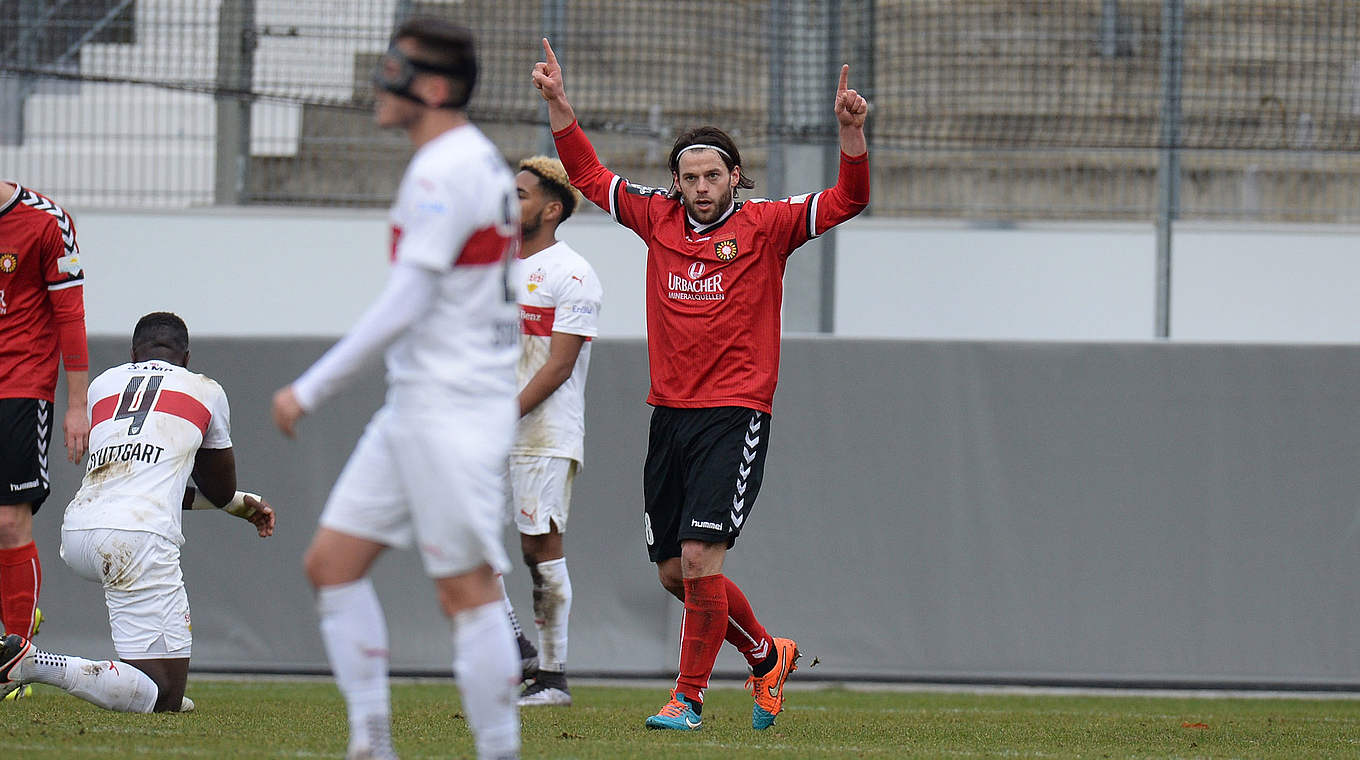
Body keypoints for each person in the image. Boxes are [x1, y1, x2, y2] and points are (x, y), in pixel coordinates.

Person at [531, 38, 870, 731]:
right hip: (670, 415)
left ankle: (687, 698)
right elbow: (592, 178)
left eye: (713, 175)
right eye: (690, 177)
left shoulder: (768, 226)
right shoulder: (657, 218)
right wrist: (561, 109)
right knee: (674, 574)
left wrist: (851, 134)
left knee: (697, 557)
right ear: (678, 183)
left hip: (734, 412)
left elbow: (847, 200)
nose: (701, 187)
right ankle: (764, 655)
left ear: (735, 177)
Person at [271, 17, 522, 760]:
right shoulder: (461, 160)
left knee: (466, 591)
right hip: (418, 405)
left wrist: (310, 389)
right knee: (332, 566)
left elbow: (406, 301)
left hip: (451, 411)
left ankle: (500, 751)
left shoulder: (446, 168)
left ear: (434, 89)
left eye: (396, 69)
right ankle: (372, 743)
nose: (379, 82)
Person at [0, 311, 275, 712]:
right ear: (185, 356)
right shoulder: (205, 388)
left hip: (79, 532)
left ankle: (136, 681)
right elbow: (220, 489)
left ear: (133, 354)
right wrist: (233, 501)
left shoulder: (103, 384)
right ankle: (35, 664)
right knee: (163, 695)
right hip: (136, 539)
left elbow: (140, 479)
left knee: (163, 691)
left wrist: (233, 503)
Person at [500, 156, 602, 707]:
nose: (508, 201)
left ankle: (553, 677)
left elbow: (559, 365)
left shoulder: (574, 272)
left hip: (543, 433)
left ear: (551, 207)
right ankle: (513, 645)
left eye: (519, 194)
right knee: (457, 527)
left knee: (540, 547)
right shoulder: (496, 267)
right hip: (490, 426)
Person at [0, 181, 90, 698]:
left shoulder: (46, 221)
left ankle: (15, 660)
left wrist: (76, 405)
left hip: (20, 388)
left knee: (9, 519)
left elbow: (69, 314)